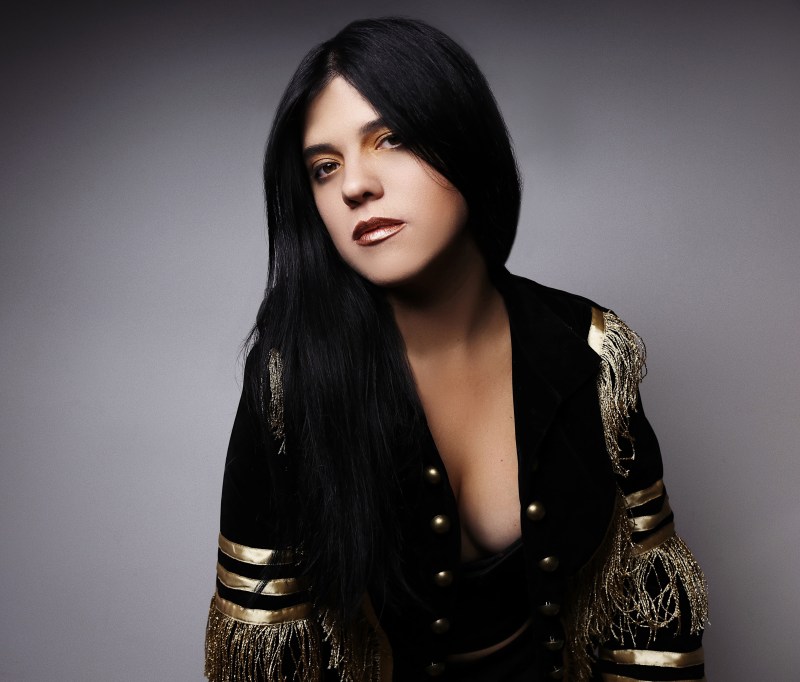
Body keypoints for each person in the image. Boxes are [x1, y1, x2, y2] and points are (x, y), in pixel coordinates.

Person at [204, 17, 707, 681]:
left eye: (390, 139)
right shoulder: (288, 380)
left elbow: (652, 613)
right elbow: (264, 650)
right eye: (325, 167)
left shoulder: (589, 350)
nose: (354, 185)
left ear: (464, 141)